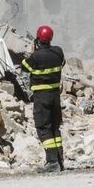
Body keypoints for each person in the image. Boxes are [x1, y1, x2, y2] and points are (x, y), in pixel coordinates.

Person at [19, 25, 65, 172]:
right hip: (55, 96)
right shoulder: (58, 52)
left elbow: (25, 67)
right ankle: (59, 160)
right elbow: (62, 63)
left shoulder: (36, 56)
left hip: (42, 96)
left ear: (38, 39)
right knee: (54, 128)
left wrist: (34, 51)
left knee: (43, 128)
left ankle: (52, 162)